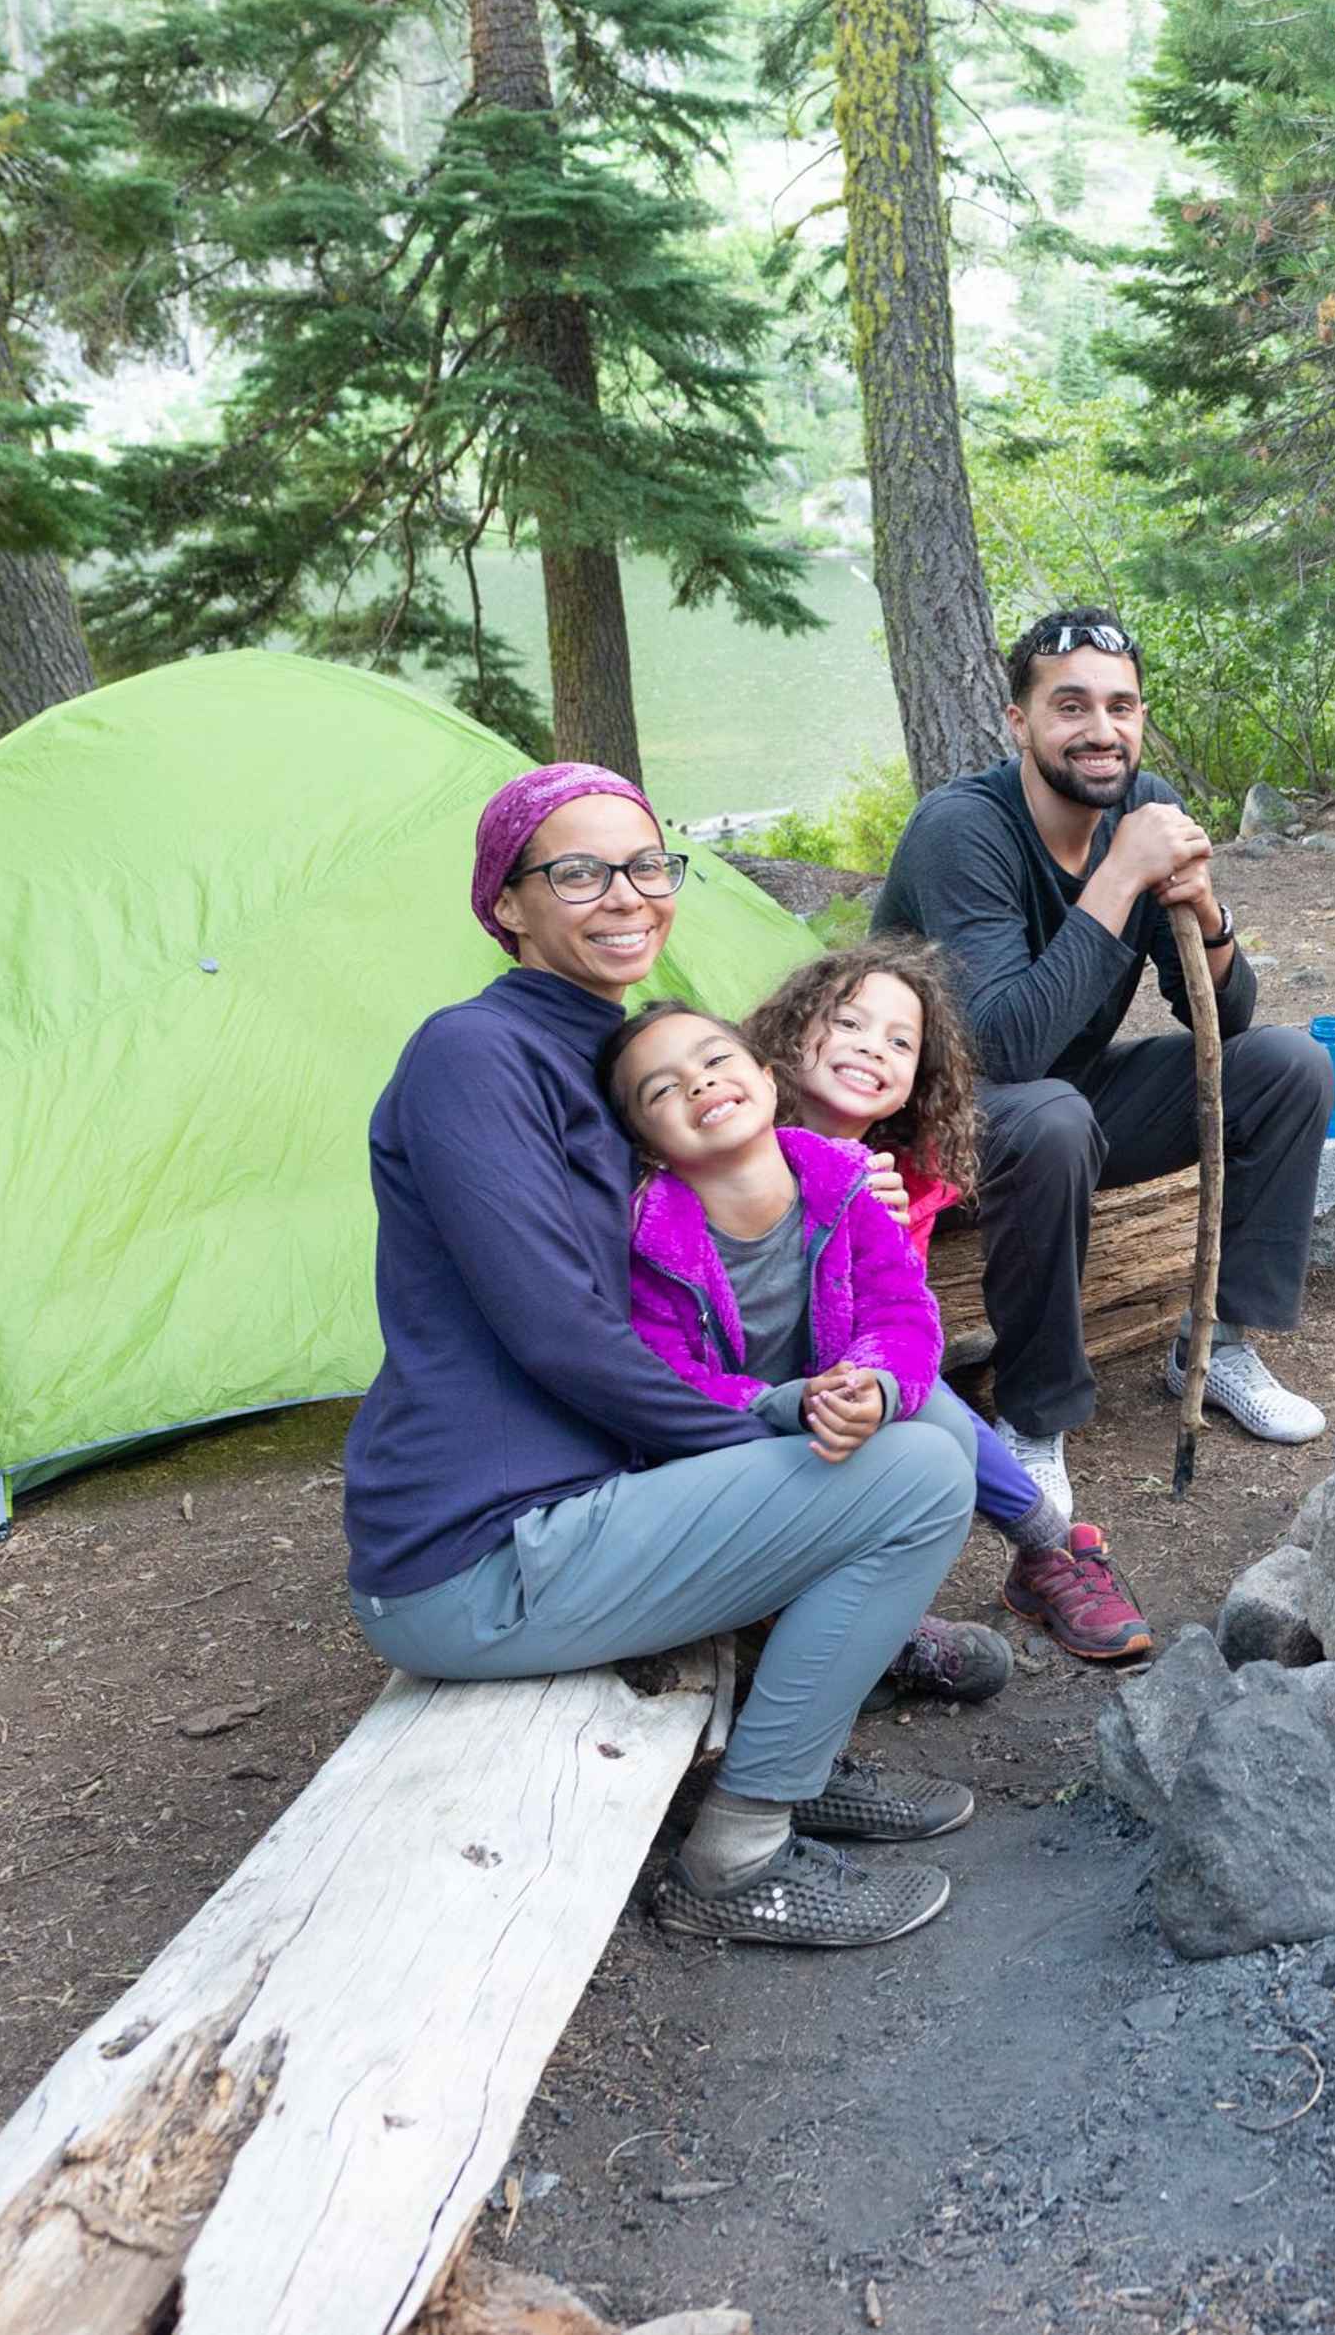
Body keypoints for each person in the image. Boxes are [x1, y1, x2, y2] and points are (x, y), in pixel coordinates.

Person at [341, 764, 979, 1953]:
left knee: (923, 1420)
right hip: (477, 1551)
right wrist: (773, 1425)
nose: (625, 896)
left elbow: (707, 1248)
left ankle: (801, 1744)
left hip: (586, 1493)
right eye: (575, 872)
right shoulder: (473, 1057)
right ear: (507, 906)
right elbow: (558, 1333)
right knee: (916, 1478)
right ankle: (738, 1857)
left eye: (645, 865)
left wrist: (822, 1212)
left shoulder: (600, 1054)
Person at [874, 608, 1335, 1507]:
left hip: (1068, 1099)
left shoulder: (1141, 802)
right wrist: (1120, 877)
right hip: (942, 1119)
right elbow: (1000, 1048)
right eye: (1071, 706)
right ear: (1020, 723)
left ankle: (1215, 1343)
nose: (1100, 731)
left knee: (1289, 1068)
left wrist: (1208, 916)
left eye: (1120, 708)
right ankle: (1036, 1415)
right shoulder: (962, 831)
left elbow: (1225, 1022)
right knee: (1050, 1114)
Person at [737, 942, 1155, 1662]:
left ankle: (1044, 1554)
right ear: (792, 1031)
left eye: (900, 1042)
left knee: (916, 1396)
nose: (873, 1049)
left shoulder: (896, 1183)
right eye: (848, 1023)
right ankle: (1032, 1549)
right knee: (917, 1404)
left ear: (915, 1084)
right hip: (742, 1396)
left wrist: (883, 1243)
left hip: (845, 1404)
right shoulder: (735, 1142)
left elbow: (891, 1331)